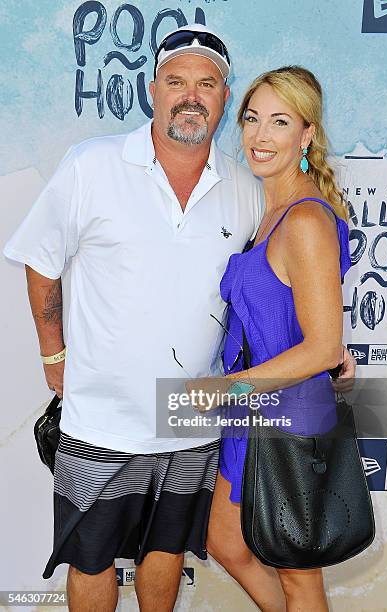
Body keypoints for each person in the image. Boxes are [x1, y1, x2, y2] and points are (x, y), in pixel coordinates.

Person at [3, 23, 354, 611]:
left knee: (169, 552)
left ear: (222, 97)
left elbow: (295, 297)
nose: (191, 96)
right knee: (92, 557)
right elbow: (40, 263)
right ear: (152, 89)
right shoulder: (93, 164)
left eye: (209, 84)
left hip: (198, 417)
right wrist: (52, 354)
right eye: (176, 81)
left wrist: (324, 356)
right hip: (104, 418)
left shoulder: (247, 187)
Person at [201, 66, 352, 612]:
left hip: (287, 419)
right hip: (252, 413)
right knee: (224, 540)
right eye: (252, 119)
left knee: (297, 576)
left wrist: (229, 389)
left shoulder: (305, 219)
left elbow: (322, 349)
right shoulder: (268, 210)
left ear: (306, 135)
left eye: (279, 122)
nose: (260, 137)